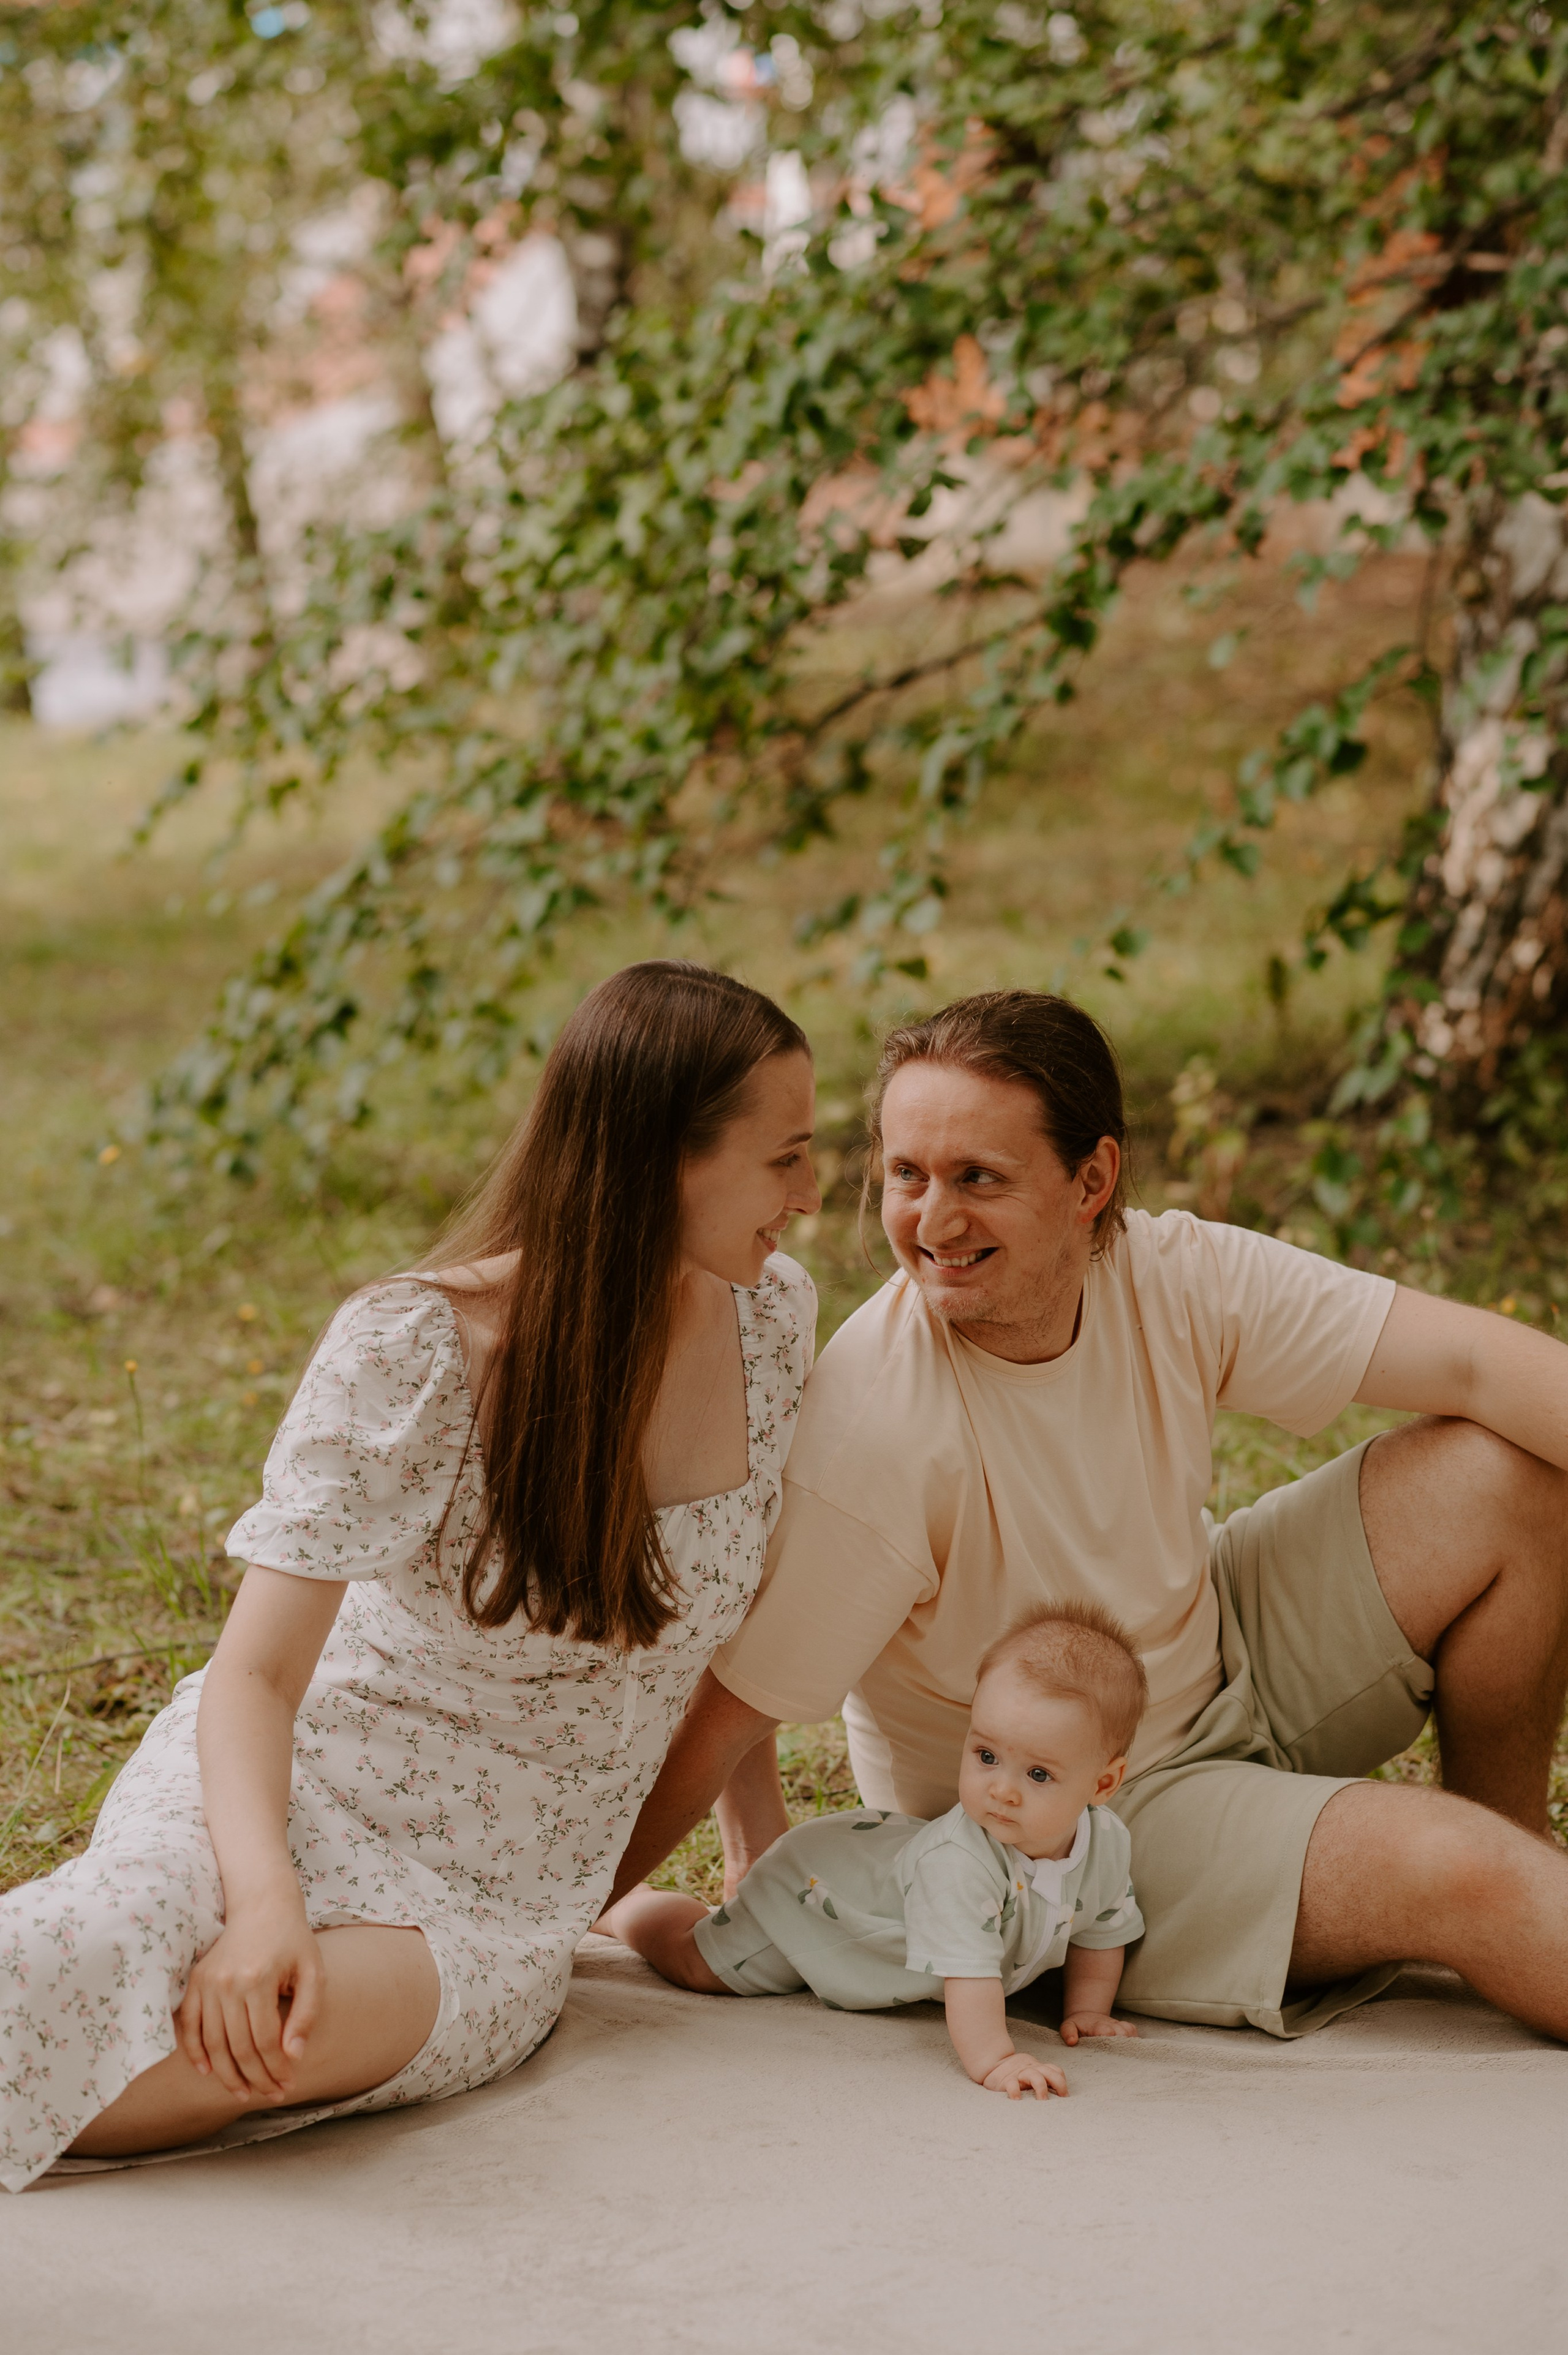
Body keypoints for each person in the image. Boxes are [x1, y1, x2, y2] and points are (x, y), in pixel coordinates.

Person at [605, 989, 1568, 2044]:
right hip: (1069, 1825)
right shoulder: (879, 1427)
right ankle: (1508, 1899)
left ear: (1092, 1181)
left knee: (1512, 1479)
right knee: (1459, 1871)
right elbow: (728, 1709)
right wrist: (538, 1920)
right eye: (906, 1175)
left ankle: (1526, 1879)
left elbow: (1482, 1359)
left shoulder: (1171, 1270)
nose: (933, 1221)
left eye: (980, 1177)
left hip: (1216, 1646)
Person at [0, 961, 821, 2194]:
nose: (812, 1196)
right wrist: (264, 1898)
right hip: (293, 1784)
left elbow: (722, 1620)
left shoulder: (772, 1319)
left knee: (254, 2047)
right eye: (785, 1158)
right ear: (664, 1158)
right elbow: (256, 1674)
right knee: (82, 1954)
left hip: (497, 1899)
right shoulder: (419, 1344)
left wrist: (754, 1842)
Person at [601, 1600, 1146, 2101]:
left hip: (865, 1890)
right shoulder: (960, 1864)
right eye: (985, 1755)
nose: (1002, 1789)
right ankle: (626, 1909)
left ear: (1102, 1785)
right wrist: (997, 2060)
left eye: (1038, 1773)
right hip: (816, 1899)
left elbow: (1103, 1930)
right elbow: (970, 1981)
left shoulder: (1106, 1843)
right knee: (697, 1963)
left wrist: (1088, 2011)